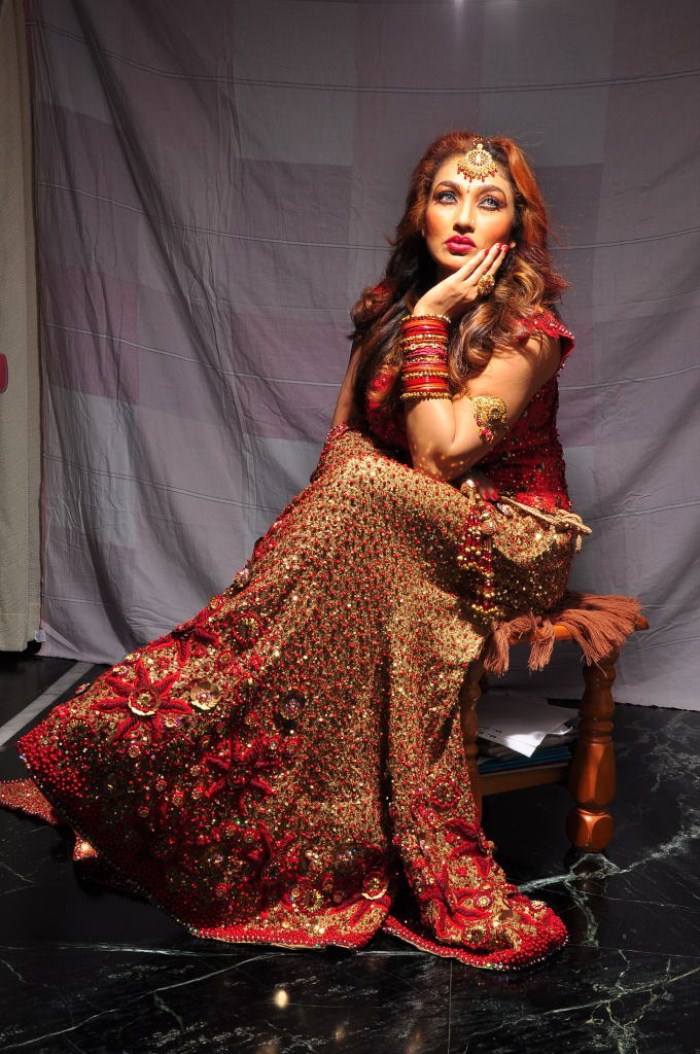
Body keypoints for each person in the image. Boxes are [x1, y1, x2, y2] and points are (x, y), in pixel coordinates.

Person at [1, 131, 595, 970]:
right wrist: (309, 543)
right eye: (447, 196)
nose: (464, 217)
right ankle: (198, 778)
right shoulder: (384, 306)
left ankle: (201, 735)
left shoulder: (528, 333)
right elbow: (343, 441)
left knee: (365, 490)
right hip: (391, 522)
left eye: (488, 202)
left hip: (508, 535)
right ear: (420, 210)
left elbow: (437, 455)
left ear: (515, 227)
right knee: (352, 498)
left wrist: (431, 325)